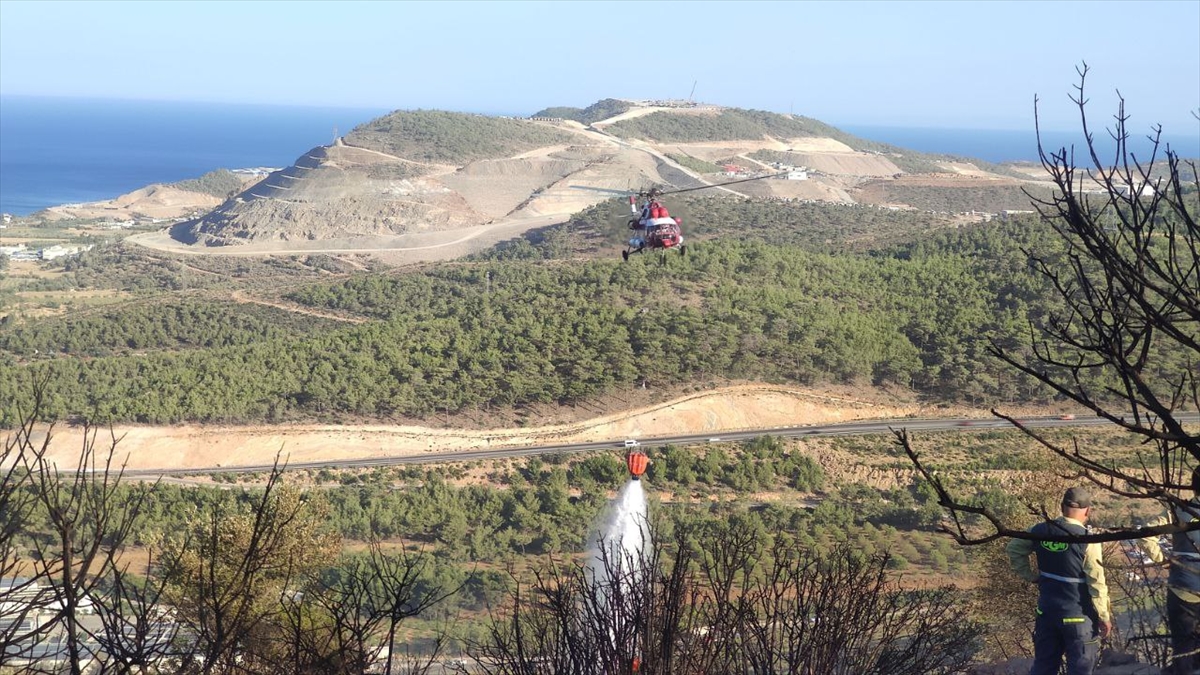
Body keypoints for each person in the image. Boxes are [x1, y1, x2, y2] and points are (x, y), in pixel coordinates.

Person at [1007, 487, 1112, 675]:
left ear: (1061, 507)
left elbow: (1014, 548)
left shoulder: (1039, 530)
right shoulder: (1088, 539)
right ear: (1087, 511)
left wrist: (1030, 576)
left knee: (1043, 667)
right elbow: (1096, 581)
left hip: (1047, 612)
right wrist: (1104, 616)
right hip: (1079, 617)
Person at [1139, 468, 1200, 674]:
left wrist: (1164, 561)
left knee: (1183, 646)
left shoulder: (1178, 510)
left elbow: (1146, 534)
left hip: (1181, 586)